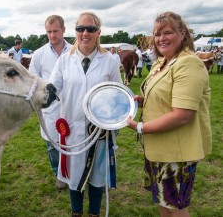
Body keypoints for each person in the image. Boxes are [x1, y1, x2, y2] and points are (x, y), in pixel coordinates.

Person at [127, 11, 212, 217]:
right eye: (157, 34)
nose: (161, 38)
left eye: (167, 32)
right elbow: (164, 96)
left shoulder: (188, 63)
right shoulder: (162, 62)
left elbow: (183, 114)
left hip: (177, 152)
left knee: (177, 208)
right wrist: (142, 100)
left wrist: (140, 127)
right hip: (158, 149)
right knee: (164, 204)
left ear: (182, 34)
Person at [49, 12, 122, 217]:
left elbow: (119, 93)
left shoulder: (109, 61)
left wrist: (117, 119)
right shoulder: (64, 61)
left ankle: (94, 213)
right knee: (74, 175)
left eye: (90, 29)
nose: (85, 33)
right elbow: (52, 89)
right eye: (80, 29)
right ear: (75, 32)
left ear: (99, 32)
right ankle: (76, 212)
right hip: (71, 130)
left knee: (97, 176)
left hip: (99, 131)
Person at [29, 15, 72, 190]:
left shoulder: (75, 50)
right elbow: (32, 80)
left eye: (55, 31)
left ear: (63, 30)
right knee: (53, 143)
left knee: (74, 139)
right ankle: (59, 175)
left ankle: (75, 172)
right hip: (50, 108)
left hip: (72, 103)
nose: (52, 35)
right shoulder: (39, 55)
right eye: (49, 32)